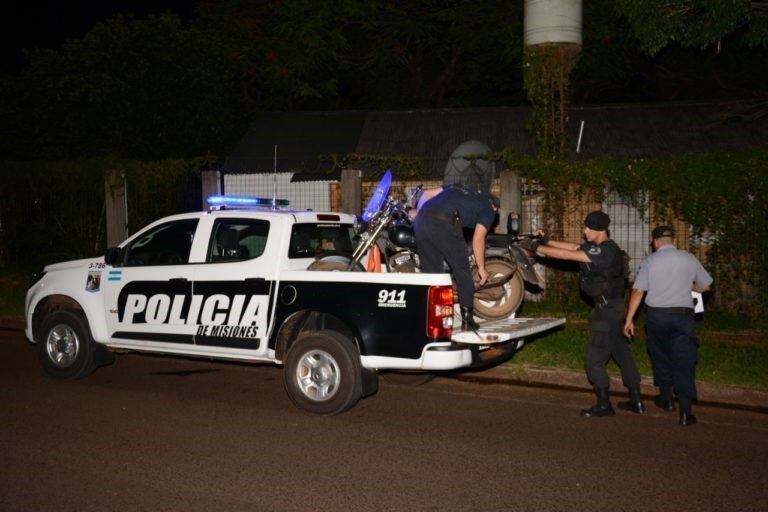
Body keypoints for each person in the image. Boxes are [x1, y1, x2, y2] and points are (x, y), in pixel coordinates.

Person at [525, 210, 644, 417]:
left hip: (607, 311)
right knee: (622, 354)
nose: (584, 231)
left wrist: (535, 247)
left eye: (588, 228)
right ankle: (636, 400)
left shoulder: (606, 252)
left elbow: (567, 255)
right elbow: (572, 247)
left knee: (593, 358)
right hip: (614, 309)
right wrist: (547, 240)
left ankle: (604, 404)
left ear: (600, 230)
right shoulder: (601, 248)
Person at [624, 226, 713, 426]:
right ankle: (685, 412)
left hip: (657, 317)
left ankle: (666, 399)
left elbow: (638, 291)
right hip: (682, 317)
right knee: (684, 360)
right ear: (673, 240)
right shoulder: (689, 258)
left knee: (660, 355)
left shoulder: (650, 261)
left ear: (655, 242)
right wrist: (691, 286)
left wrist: (629, 319)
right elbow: (706, 285)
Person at [413, 184, 499, 330]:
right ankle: (467, 320)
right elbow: (478, 238)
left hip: (421, 221)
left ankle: (435, 319)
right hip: (444, 223)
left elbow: (427, 193)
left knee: (433, 276)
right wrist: (482, 267)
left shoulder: (457, 187)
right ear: (494, 207)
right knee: (462, 269)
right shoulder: (488, 209)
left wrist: (420, 211)